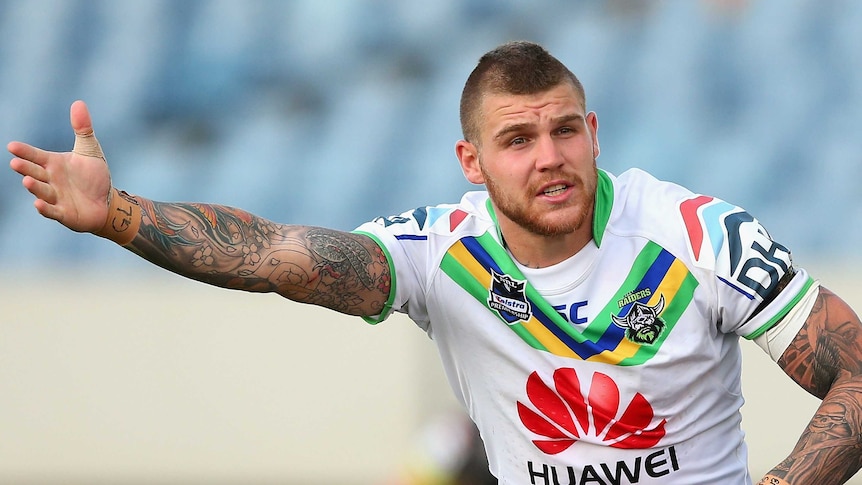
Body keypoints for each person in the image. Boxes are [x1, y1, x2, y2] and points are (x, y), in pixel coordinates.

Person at [8, 41, 862, 485]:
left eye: (566, 130)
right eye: (517, 139)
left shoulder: (698, 236)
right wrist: (121, 216)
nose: (549, 156)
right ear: (471, 161)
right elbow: (281, 257)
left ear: (594, 132)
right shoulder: (441, 250)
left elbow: (858, 372)